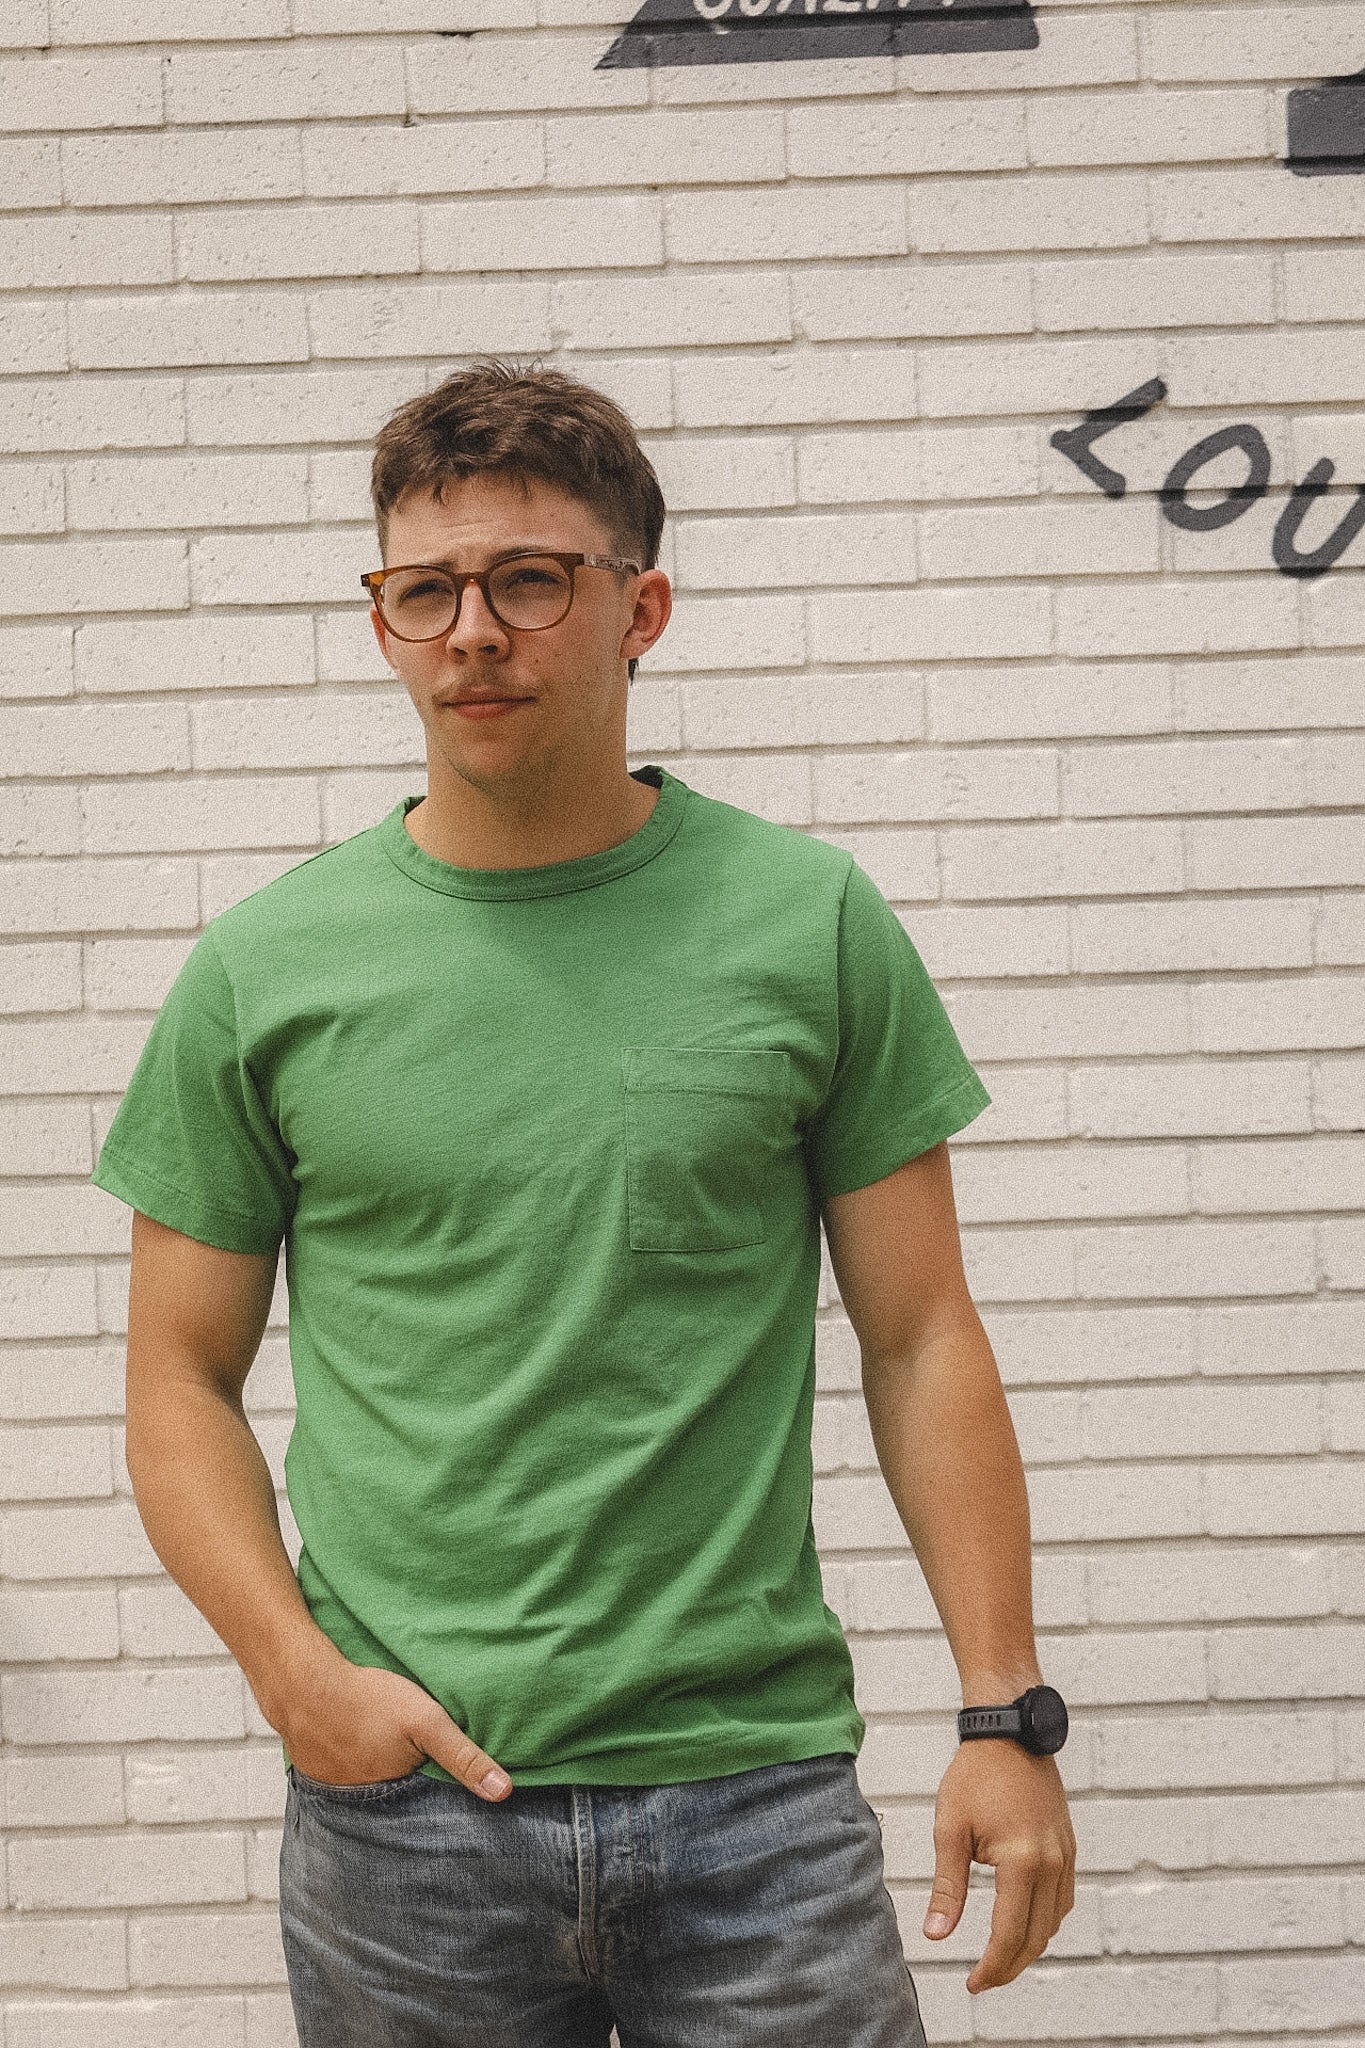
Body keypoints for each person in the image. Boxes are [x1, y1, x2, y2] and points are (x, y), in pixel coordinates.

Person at [92, 358, 1076, 2047]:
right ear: (384, 619)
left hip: (753, 1799)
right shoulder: (267, 968)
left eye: (531, 578)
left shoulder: (806, 921)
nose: (475, 630)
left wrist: (1005, 1715)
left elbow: (920, 1336)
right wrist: (293, 1675)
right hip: (407, 1818)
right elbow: (175, 1379)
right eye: (426, 588)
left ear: (642, 609)